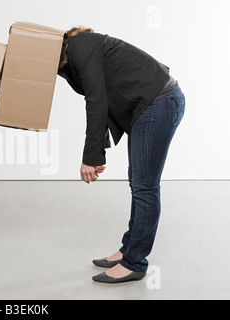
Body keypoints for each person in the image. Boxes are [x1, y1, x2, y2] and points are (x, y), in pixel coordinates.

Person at [58, 27, 185, 283]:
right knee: (138, 184)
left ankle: (134, 263)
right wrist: (98, 151)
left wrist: (91, 157)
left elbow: (96, 100)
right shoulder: (77, 55)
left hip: (158, 104)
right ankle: (129, 249)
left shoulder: (80, 46)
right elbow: (105, 94)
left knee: (145, 187)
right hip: (151, 105)